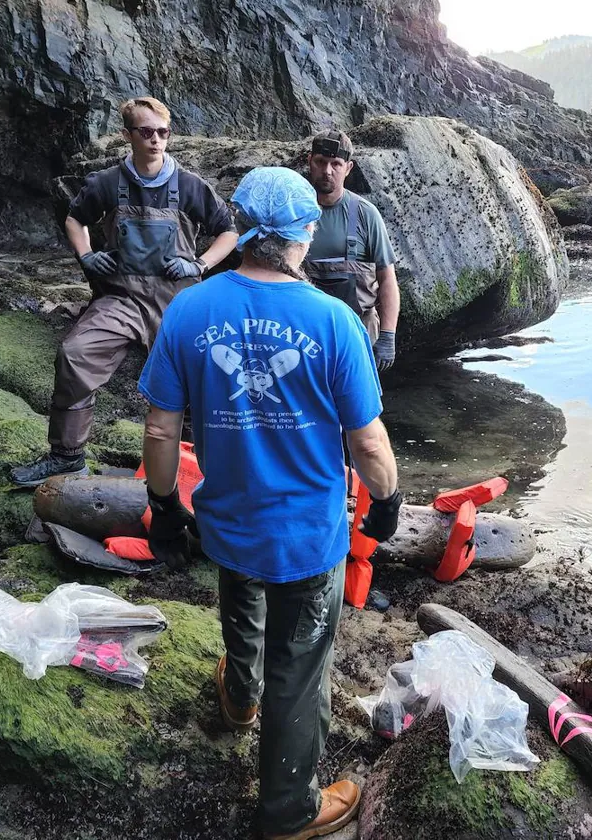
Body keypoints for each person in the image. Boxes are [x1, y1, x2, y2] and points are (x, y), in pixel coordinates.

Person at [137, 166, 403, 840]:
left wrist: (165, 506)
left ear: (244, 228)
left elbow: (161, 428)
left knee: (241, 597)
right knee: (303, 659)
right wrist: (389, 500)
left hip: (228, 518)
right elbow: (367, 439)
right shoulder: (334, 320)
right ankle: (289, 809)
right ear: (299, 236)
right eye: (311, 224)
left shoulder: (190, 310)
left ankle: (240, 698)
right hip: (308, 531)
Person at [11, 96, 238, 486]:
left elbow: (229, 231)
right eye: (146, 132)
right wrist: (86, 256)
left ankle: (197, 470)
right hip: (122, 298)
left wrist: (199, 264)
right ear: (127, 135)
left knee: (199, 379)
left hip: (179, 301)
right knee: (75, 354)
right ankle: (67, 456)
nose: (155, 140)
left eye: (163, 132)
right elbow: (75, 219)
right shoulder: (106, 183)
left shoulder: (188, 185)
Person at [303, 130, 401, 371]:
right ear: (309, 162)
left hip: (358, 334)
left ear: (348, 168)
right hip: (302, 333)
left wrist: (388, 335)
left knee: (359, 408)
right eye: (320, 162)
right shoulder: (293, 211)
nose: (327, 171)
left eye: (335, 164)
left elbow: (387, 278)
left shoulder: (365, 214)